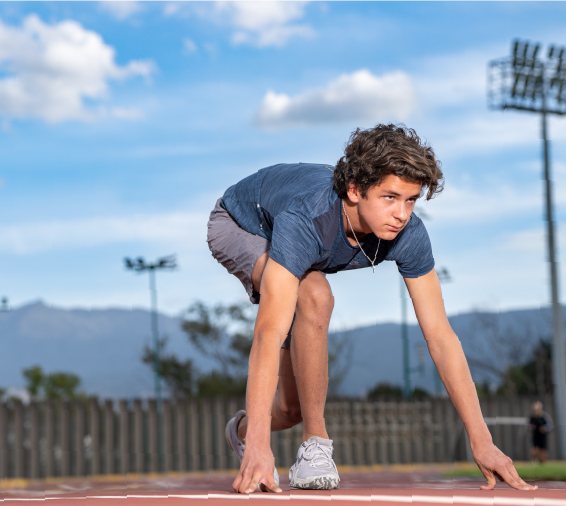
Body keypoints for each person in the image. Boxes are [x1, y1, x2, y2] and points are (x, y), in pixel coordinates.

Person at [207, 124, 536, 494]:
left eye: (411, 200)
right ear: (354, 190)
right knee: (315, 293)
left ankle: (241, 429)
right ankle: (315, 444)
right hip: (241, 223)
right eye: (390, 198)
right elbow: (269, 332)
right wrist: (259, 448)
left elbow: (441, 337)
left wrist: (482, 440)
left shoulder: (408, 234)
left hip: (287, 227)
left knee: (289, 410)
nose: (401, 214)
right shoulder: (306, 220)